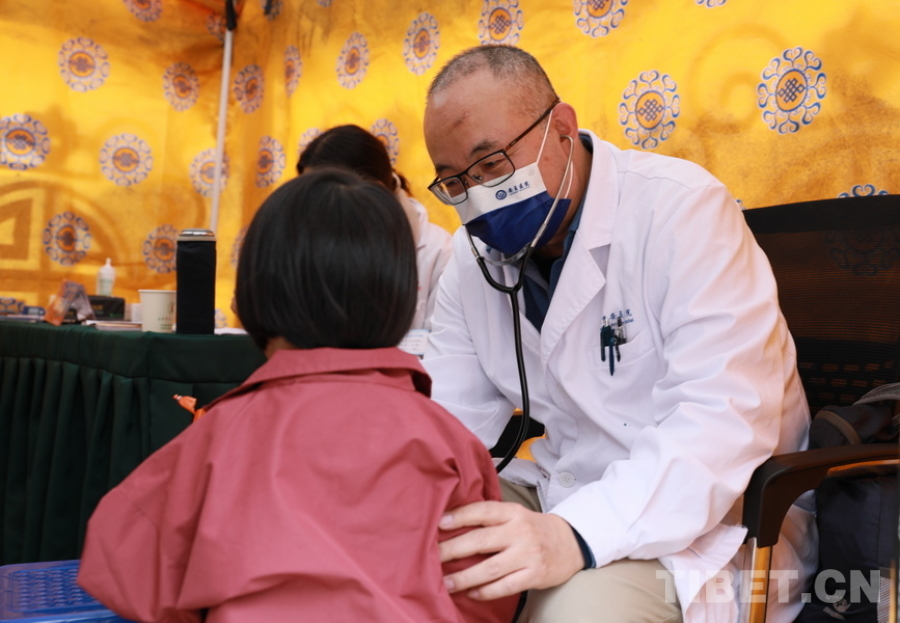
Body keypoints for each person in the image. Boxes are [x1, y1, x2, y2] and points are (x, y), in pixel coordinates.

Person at [420, 45, 816, 623]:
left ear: (561, 128)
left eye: (492, 165)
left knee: (573, 615)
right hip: (562, 487)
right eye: (455, 182)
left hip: (708, 519)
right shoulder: (471, 257)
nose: (477, 196)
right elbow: (448, 427)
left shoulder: (683, 210)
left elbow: (719, 424)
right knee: (421, 550)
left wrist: (573, 535)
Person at [77, 169, 519, 623]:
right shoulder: (450, 440)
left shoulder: (221, 432)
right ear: (402, 297)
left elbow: (122, 560)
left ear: (251, 294)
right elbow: (487, 592)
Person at [297, 124, 453, 335]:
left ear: (374, 190)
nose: (315, 208)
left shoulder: (440, 252)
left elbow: (445, 344)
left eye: (324, 195)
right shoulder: (304, 247)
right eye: (308, 195)